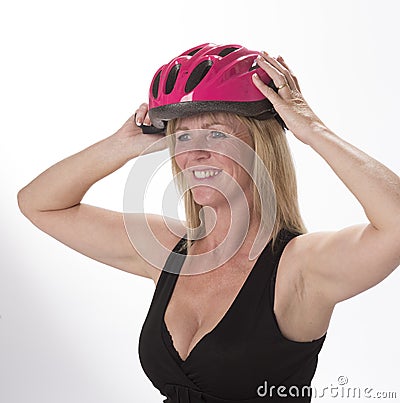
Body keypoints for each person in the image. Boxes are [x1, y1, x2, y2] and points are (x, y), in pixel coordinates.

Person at [17, 43, 400, 402]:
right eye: (182, 137)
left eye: (217, 134)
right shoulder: (168, 249)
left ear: (260, 145)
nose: (195, 153)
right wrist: (123, 144)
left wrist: (311, 129)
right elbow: (39, 204)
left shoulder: (299, 266)